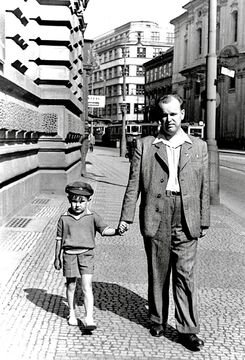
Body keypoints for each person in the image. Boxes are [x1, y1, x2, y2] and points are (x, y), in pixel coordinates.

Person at [119, 94, 210, 351]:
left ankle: (188, 329)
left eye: (173, 113)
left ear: (182, 114)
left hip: (186, 214)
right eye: (164, 114)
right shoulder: (145, 145)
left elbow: (204, 186)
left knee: (185, 274)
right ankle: (157, 319)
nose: (168, 119)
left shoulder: (198, 146)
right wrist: (125, 217)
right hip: (156, 213)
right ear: (158, 117)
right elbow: (133, 184)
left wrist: (203, 220)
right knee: (158, 271)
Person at [54, 181, 120, 330]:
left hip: (86, 255)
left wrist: (117, 231)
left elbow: (104, 230)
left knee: (87, 286)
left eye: (81, 202)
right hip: (69, 255)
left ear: (88, 201)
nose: (77, 205)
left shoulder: (93, 217)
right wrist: (56, 257)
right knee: (71, 285)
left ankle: (89, 317)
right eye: (74, 201)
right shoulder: (64, 218)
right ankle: (71, 312)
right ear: (69, 200)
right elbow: (59, 239)